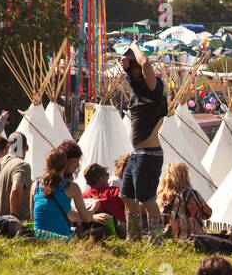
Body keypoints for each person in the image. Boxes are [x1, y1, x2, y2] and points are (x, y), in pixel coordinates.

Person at [117, 46, 167, 241]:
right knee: (126, 196)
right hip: (137, 154)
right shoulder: (138, 90)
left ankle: (156, 239)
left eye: (133, 67)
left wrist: (134, 45)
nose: (132, 72)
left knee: (147, 200)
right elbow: (135, 73)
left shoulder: (153, 90)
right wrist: (126, 64)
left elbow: (145, 63)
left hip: (149, 154)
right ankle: (134, 236)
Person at [32, 147, 104, 239]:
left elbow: (34, 216)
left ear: (47, 165)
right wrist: (95, 206)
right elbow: (86, 218)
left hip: (39, 236)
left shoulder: (35, 185)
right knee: (104, 231)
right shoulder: (72, 187)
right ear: (65, 166)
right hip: (62, 238)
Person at [156, 160, 212, 241]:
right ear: (186, 177)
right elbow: (208, 213)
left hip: (172, 237)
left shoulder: (163, 196)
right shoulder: (192, 194)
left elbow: (161, 219)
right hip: (194, 237)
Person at [0, 134, 33, 223]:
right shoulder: (22, 165)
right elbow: (16, 189)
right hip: (16, 226)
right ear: (26, 148)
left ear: (7, 147)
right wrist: (13, 218)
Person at [82, 164, 125, 229]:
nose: (108, 177)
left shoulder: (83, 197)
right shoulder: (114, 192)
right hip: (118, 230)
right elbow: (132, 207)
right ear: (101, 178)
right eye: (107, 174)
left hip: (93, 231)